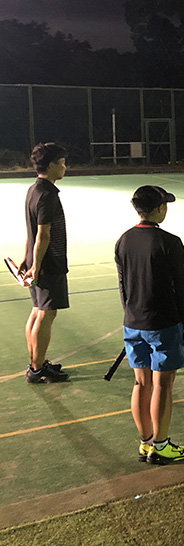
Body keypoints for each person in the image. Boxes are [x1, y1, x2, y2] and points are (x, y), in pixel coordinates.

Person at [115, 185, 184, 464]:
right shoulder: (169, 241)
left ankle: (146, 442)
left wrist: (131, 316)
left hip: (132, 321)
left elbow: (123, 285)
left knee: (140, 383)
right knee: (163, 384)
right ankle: (161, 446)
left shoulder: (123, 240)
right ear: (159, 208)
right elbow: (181, 287)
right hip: (163, 323)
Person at [20, 142, 70, 384]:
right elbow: (43, 234)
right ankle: (38, 369)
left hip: (36, 260)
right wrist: (37, 266)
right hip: (48, 263)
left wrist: (27, 258)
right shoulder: (47, 194)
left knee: (37, 311)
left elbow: (30, 231)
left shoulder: (33, 190)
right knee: (46, 314)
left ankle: (35, 362)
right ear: (50, 166)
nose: (64, 167)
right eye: (61, 163)